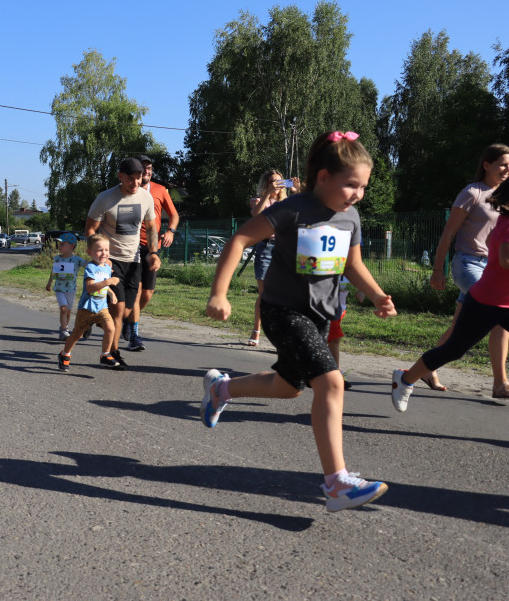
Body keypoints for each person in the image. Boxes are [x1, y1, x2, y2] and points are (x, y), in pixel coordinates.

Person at [203, 131, 396, 512]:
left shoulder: (350, 217)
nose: (357, 194)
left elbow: (352, 264)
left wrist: (375, 294)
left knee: (288, 387)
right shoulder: (293, 209)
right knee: (331, 381)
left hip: (320, 315)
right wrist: (218, 293)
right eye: (350, 184)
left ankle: (220, 390)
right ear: (323, 177)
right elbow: (240, 238)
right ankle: (337, 483)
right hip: (282, 310)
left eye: (363, 187)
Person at [393, 175, 509, 412]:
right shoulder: (507, 224)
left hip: (504, 301)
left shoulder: (503, 221)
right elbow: (506, 260)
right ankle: (404, 379)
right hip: (486, 301)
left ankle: (500, 382)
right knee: (454, 349)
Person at [428, 143, 509, 397]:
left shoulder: (505, 196)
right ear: (487, 165)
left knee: (460, 327)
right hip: (468, 264)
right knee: (497, 316)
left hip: (493, 270)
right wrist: (438, 268)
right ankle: (500, 383)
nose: (507, 169)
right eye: (503, 164)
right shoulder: (472, 192)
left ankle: (425, 368)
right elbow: (449, 233)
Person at [84, 157, 159, 368]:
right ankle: (111, 353)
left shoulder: (145, 197)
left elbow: (152, 227)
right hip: (111, 260)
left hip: (134, 260)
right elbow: (90, 230)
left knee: (126, 312)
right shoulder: (105, 198)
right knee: (118, 310)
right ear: (120, 177)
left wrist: (153, 252)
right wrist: (100, 258)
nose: (135, 183)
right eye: (131, 179)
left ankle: (95, 319)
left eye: (139, 178)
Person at [124, 154, 179, 352]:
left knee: (147, 294)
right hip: (132, 245)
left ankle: (127, 318)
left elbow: (173, 214)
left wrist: (170, 231)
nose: (147, 172)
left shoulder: (160, 190)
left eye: (150, 169)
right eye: (143, 168)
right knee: (137, 290)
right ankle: (134, 335)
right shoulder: (129, 189)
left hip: (152, 247)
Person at [247, 170, 297, 347]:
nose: (276, 184)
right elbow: (256, 216)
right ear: (266, 183)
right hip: (266, 248)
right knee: (265, 295)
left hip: (285, 249)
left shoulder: (288, 202)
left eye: (279, 181)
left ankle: (281, 336)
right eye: (271, 181)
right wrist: (267, 194)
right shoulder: (259, 201)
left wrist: (297, 192)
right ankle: (256, 330)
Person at [57, 233, 121, 370]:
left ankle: (105, 354)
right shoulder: (90, 267)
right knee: (77, 334)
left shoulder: (107, 268)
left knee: (111, 328)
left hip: (102, 307)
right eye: (99, 250)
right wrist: (109, 281)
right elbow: (91, 288)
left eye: (106, 250)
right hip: (87, 308)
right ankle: (65, 354)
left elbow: (104, 285)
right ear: (89, 252)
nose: (104, 253)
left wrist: (111, 293)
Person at [45, 233, 85, 340]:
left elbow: (88, 266)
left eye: (63, 244)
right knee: (63, 308)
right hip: (59, 288)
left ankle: (64, 327)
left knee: (68, 311)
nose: (60, 246)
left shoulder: (77, 260)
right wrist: (49, 282)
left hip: (71, 290)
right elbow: (53, 270)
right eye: (59, 244)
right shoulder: (57, 258)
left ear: (71, 246)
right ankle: (64, 331)